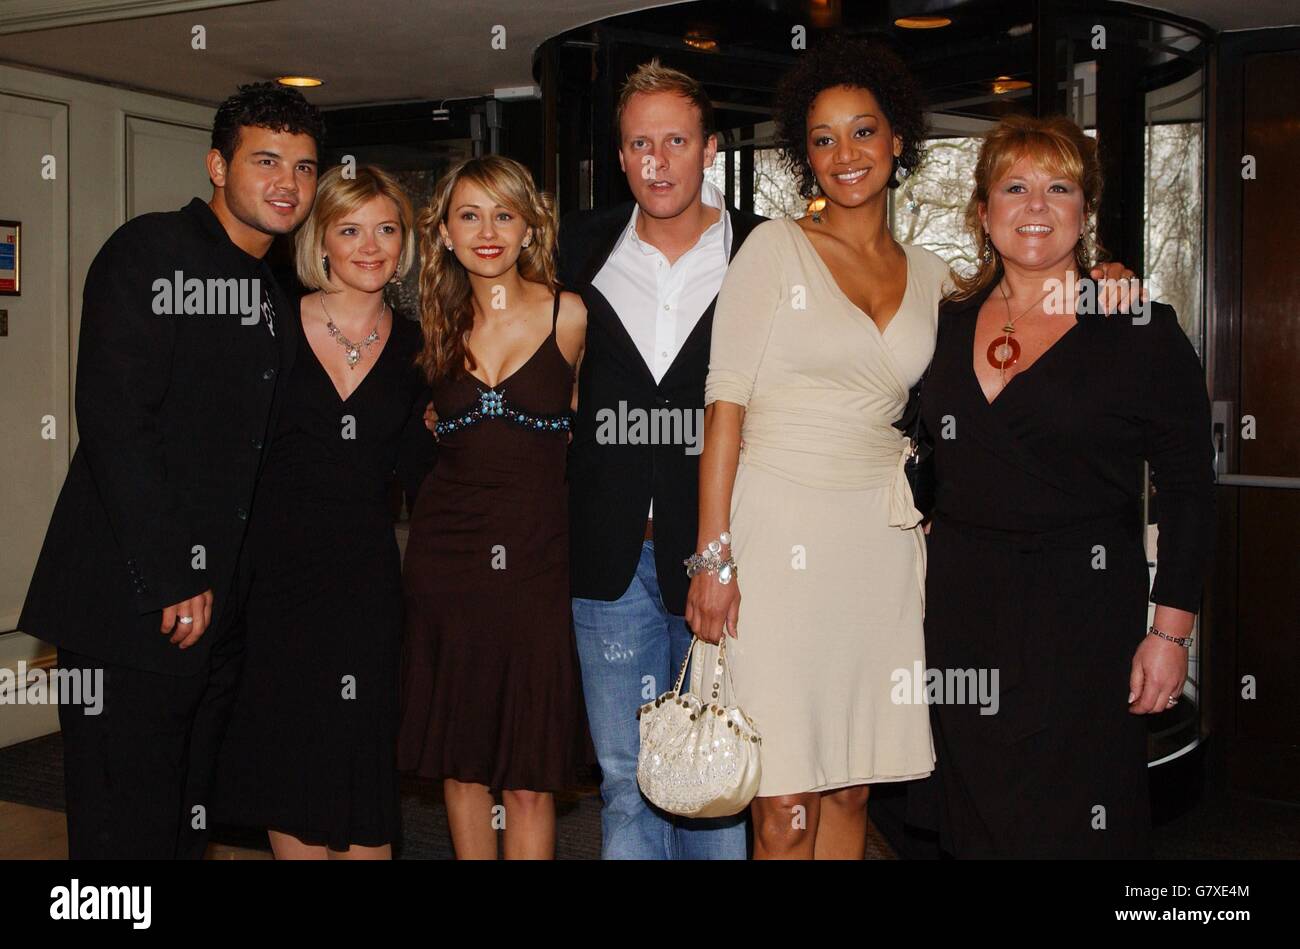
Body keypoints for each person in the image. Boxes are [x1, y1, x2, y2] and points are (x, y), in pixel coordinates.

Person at [688, 36, 1140, 860]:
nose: (845, 154)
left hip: (880, 541)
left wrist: (1104, 272)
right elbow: (723, 412)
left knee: (856, 778)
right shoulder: (772, 250)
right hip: (774, 524)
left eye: (863, 131)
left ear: (898, 140)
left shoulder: (938, 278)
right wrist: (711, 559)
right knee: (783, 791)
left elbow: (1026, 304)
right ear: (803, 156)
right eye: (823, 139)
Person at [18, 82, 321, 858]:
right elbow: (117, 420)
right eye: (266, 160)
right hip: (135, 604)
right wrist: (172, 572)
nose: (288, 181)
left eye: (304, 166)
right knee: (121, 821)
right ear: (218, 165)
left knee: (185, 814)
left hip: (217, 613)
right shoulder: (152, 250)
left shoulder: (273, 290)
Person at [918, 114, 1214, 858]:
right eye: (1014, 187)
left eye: (1060, 186)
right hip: (961, 614)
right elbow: (913, 449)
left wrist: (1170, 632)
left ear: (1086, 211)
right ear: (982, 214)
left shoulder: (1138, 326)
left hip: (1084, 621)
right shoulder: (944, 325)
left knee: (1079, 821)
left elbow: (1188, 489)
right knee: (972, 819)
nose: (1037, 205)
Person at [557, 59, 764, 860]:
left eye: (675, 140)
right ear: (620, 156)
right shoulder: (578, 245)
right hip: (608, 561)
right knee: (624, 780)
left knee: (716, 781)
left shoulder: (764, 249)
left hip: (722, 560)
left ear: (709, 147)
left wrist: (1086, 279)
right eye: (639, 143)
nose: (657, 160)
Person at [214, 165, 435, 859]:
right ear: (322, 242)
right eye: (349, 229)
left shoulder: (418, 350)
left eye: (385, 229)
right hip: (274, 587)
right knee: (290, 766)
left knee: (362, 768)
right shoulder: (269, 324)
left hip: (366, 589)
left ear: (403, 243)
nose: (370, 246)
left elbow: (430, 478)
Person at [398, 155, 588, 859]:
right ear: (444, 231)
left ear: (529, 225)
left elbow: (600, 446)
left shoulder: (570, 315)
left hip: (537, 565)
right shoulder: (432, 326)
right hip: (446, 567)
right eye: (470, 215)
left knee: (531, 775)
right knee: (463, 759)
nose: (488, 231)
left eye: (504, 214)